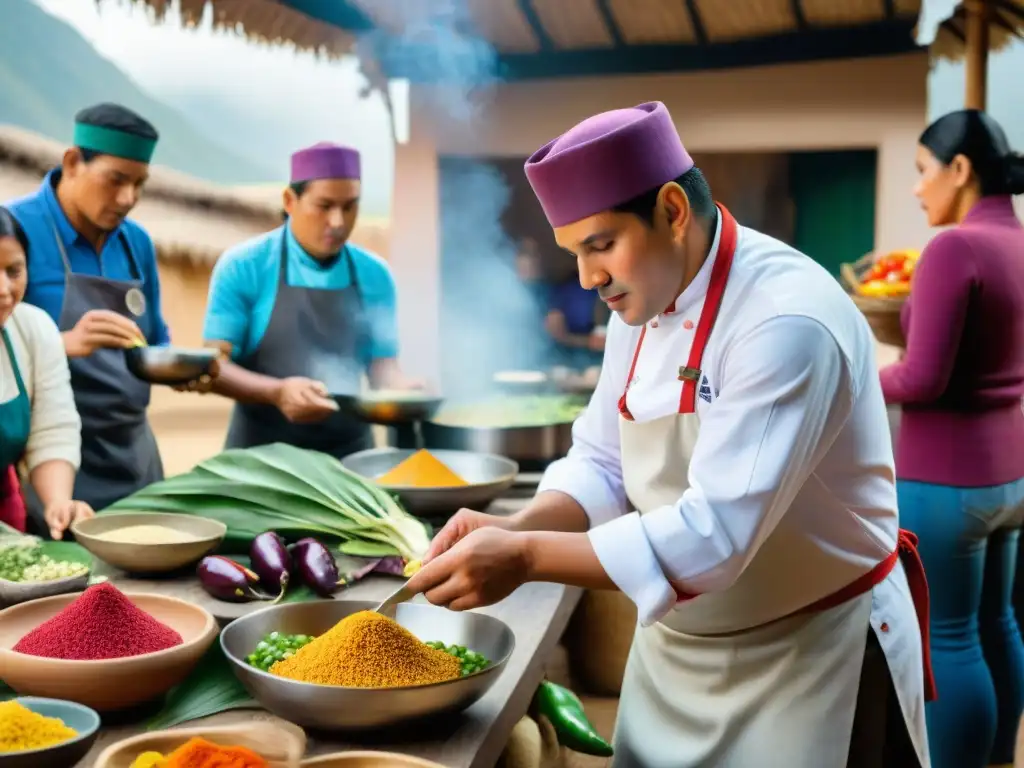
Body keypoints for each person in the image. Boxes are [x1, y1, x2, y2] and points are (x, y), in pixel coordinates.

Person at [405, 102, 934, 767]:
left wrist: (527, 558)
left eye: (601, 244)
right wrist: (516, 527)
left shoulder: (785, 320)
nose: (587, 277)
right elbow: (600, 459)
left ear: (674, 211)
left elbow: (715, 537)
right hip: (679, 659)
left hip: (810, 656)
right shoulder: (640, 301)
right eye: (574, 253)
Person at [879, 110, 1024, 768]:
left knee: (949, 641)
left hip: (943, 484)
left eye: (922, 171)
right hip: (1010, 474)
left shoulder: (952, 249)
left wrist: (851, 377)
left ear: (960, 170)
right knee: (1000, 625)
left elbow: (924, 377)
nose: (917, 188)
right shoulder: (1019, 242)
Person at [5, 103, 184, 517]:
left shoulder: (136, 242)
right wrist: (61, 343)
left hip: (135, 457)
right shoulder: (13, 232)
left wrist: (178, 365)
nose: (128, 199)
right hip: (51, 462)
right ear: (72, 162)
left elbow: (156, 339)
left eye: (140, 184)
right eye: (115, 180)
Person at [202, 142, 420, 458]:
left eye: (350, 206)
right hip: (259, 461)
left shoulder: (375, 275)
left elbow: (382, 368)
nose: (338, 221)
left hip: (351, 461)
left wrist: (404, 389)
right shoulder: (243, 266)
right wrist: (276, 393)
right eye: (324, 205)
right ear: (290, 200)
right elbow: (212, 366)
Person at [0, 207, 92, 539]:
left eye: (14, 271)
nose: (4, 290)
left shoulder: (34, 329)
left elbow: (52, 429)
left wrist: (58, 503)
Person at [545, 277, 607, 370]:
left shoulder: (604, 294)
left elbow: (599, 343)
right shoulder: (564, 290)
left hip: (598, 361)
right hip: (566, 357)